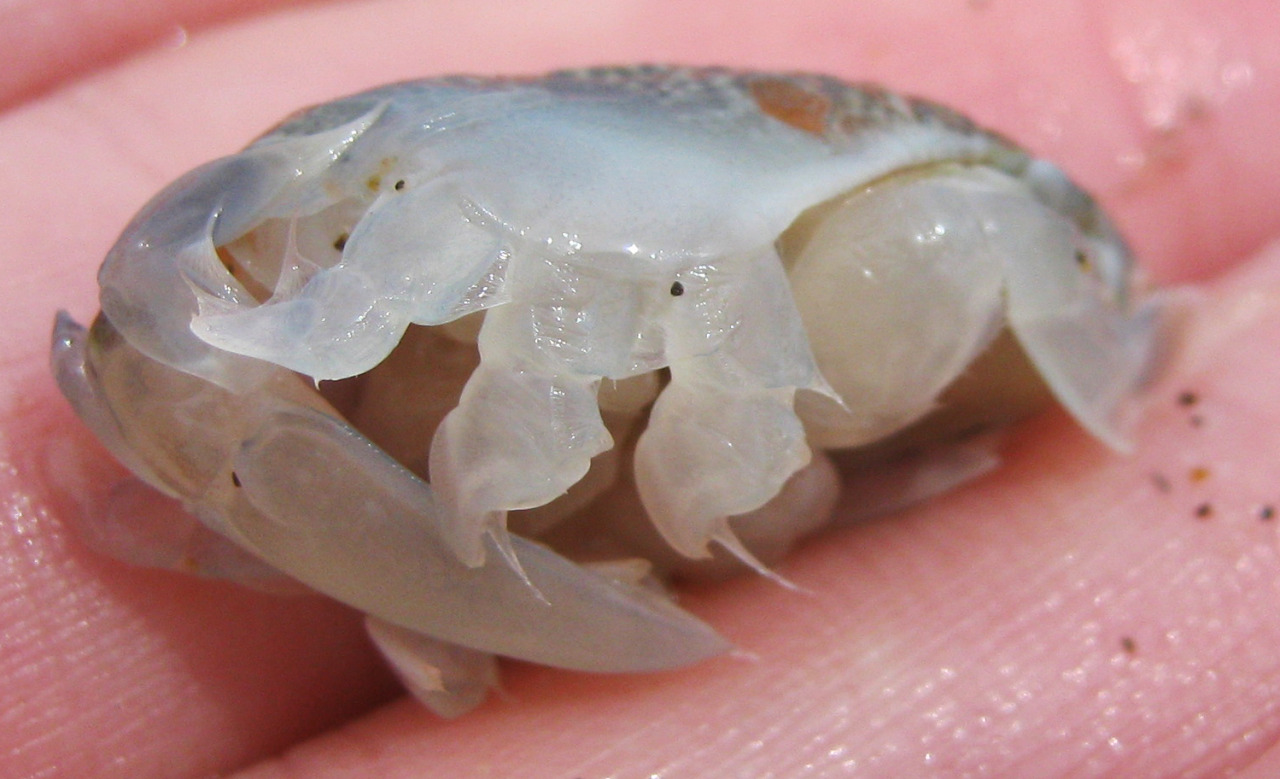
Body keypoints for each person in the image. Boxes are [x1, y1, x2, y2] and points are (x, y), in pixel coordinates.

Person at [2, 1, 1278, 776]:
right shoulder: (331, 230)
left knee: (960, 231)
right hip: (454, 194)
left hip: (817, 250)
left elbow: (989, 233)